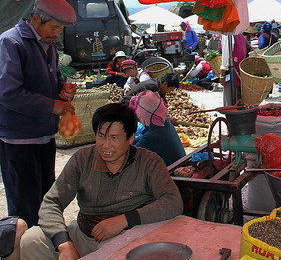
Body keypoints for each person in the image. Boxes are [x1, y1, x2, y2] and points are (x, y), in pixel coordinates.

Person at [20, 103, 183, 259]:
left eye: (114, 138)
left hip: (125, 238)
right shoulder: (82, 159)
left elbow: (173, 201)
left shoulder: (149, 162)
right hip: (83, 235)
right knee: (31, 240)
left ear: (131, 138)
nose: (106, 145)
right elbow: (51, 203)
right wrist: (64, 243)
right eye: (101, 136)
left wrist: (124, 220)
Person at [0, 0, 77, 228]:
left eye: (60, 29)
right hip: (18, 139)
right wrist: (54, 105)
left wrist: (62, 90)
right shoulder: (10, 43)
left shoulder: (48, 46)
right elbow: (8, 92)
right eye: (54, 27)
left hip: (44, 136)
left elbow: (49, 84)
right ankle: (21, 249)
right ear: (36, 19)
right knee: (25, 206)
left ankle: (43, 245)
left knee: (46, 200)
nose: (56, 34)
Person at [130, 90, 186, 166]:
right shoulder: (165, 123)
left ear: (143, 115)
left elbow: (130, 156)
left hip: (172, 173)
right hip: (178, 165)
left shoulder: (152, 136)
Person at [220, 34, 248, 106]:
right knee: (238, 97)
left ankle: (232, 114)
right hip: (240, 69)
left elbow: (226, 55)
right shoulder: (240, 35)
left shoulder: (227, 35)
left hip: (232, 71)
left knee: (230, 100)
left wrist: (222, 75)